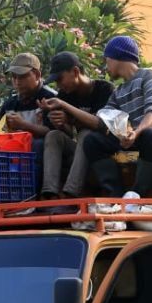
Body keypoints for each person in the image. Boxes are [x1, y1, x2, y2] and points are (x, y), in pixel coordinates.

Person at [72, 35, 152, 202]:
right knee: (92, 141)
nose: (106, 66)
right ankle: (114, 195)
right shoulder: (118, 92)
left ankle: (136, 196)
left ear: (117, 58)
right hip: (137, 140)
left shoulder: (149, 76)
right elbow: (102, 119)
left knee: (150, 135)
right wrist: (67, 112)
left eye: (107, 60)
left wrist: (136, 133)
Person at [37, 51, 114, 199]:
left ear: (75, 72)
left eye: (60, 79)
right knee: (53, 135)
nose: (59, 85)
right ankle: (49, 192)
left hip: (102, 150)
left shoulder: (105, 89)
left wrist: (65, 107)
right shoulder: (65, 94)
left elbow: (101, 126)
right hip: (79, 151)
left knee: (86, 134)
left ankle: (71, 192)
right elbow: (68, 133)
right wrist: (60, 123)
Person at [0, 53, 57, 196]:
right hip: (16, 155)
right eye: (14, 77)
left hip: (44, 154)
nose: (17, 82)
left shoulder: (50, 98)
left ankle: (36, 195)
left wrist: (24, 125)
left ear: (36, 74)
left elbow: (55, 135)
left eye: (22, 76)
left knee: (37, 145)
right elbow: (1, 132)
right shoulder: (9, 104)